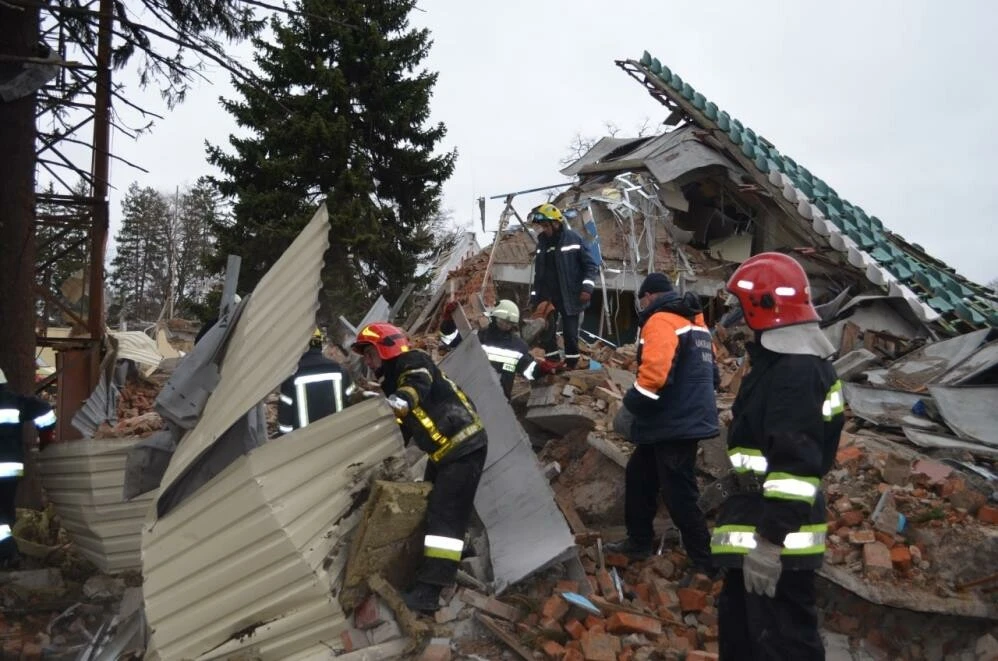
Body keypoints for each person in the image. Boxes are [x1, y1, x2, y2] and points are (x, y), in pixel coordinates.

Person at [712, 252, 844, 660]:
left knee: (781, 647)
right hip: (755, 525)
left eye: (741, 308)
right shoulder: (782, 365)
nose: (737, 319)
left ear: (762, 308)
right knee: (745, 641)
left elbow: (795, 467)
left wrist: (770, 545)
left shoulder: (795, 373)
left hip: (773, 540)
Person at [352, 322, 488, 613]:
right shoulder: (392, 381)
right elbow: (402, 426)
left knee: (444, 515)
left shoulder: (412, 362)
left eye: (369, 352)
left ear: (385, 348)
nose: (366, 360)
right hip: (447, 453)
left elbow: (416, 386)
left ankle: (429, 592)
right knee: (435, 506)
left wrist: (398, 401)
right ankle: (460, 550)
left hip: (464, 448)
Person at [607, 272, 718, 576]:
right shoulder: (697, 324)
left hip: (674, 422)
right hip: (682, 418)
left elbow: (654, 376)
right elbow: (715, 376)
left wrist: (630, 408)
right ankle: (639, 542)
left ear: (649, 296)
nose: (641, 304)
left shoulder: (660, 320)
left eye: (641, 299)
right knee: (640, 476)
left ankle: (705, 560)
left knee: (678, 492)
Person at [439, 299, 557, 400]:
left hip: (499, 401)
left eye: (509, 323)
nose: (505, 326)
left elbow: (528, 369)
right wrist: (449, 322)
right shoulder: (476, 337)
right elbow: (449, 340)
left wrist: (542, 369)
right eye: (502, 321)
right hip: (471, 395)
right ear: (494, 318)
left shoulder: (518, 347)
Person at [527, 203, 599, 369]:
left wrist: (587, 288)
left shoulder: (573, 239)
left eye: (546, 226)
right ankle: (553, 363)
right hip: (548, 297)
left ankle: (571, 364)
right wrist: (535, 299)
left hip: (570, 296)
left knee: (570, 333)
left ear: (556, 223)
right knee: (547, 333)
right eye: (542, 226)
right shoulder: (542, 244)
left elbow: (591, 265)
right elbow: (539, 275)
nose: (544, 230)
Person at [0, 368, 57, 568]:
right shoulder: (14, 401)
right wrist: (45, 437)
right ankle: (8, 555)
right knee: (5, 511)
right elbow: (44, 410)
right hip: (10, 470)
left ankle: (8, 554)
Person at [277, 328, 356, 434]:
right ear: (319, 344)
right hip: (337, 437)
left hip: (306, 444)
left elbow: (284, 425)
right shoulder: (340, 371)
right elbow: (354, 403)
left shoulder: (291, 377)